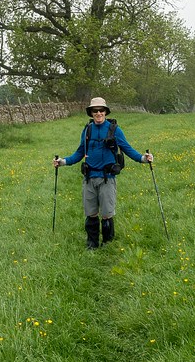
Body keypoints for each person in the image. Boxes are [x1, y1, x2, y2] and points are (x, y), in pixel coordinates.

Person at [53, 96, 154, 249]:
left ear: (105, 112)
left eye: (101, 110)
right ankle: (92, 244)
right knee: (91, 213)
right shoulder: (87, 130)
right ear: (91, 113)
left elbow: (127, 149)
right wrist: (62, 162)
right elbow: (80, 152)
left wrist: (143, 158)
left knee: (107, 213)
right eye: (95, 110)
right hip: (89, 178)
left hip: (108, 178)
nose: (98, 113)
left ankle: (108, 244)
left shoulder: (114, 130)